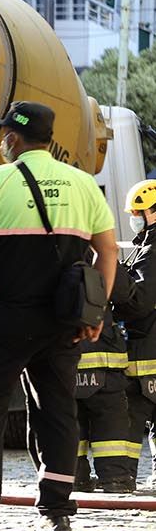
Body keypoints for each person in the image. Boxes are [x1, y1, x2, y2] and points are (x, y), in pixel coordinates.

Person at [0, 101, 117, 531]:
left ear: (14, 139)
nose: (3, 139)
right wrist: (95, 309)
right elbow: (108, 250)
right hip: (63, 319)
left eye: (5, 133)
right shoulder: (83, 184)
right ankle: (58, 513)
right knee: (57, 412)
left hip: (3, 316)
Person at [109, 179, 156, 490]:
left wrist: (115, 273)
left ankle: (119, 478)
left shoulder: (152, 250)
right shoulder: (146, 246)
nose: (133, 218)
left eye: (137, 212)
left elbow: (138, 302)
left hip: (148, 349)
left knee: (133, 412)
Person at [74, 309, 131, 494]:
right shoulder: (103, 279)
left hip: (65, 359)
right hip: (104, 359)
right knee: (110, 422)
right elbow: (127, 297)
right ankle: (114, 479)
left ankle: (73, 478)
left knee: (67, 423)